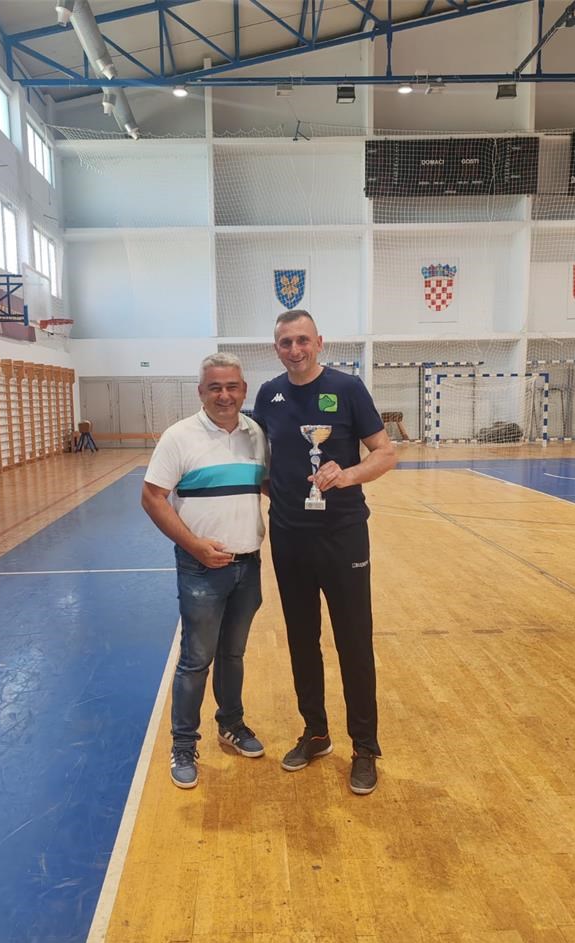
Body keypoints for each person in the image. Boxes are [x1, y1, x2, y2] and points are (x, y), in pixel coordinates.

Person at [253, 310, 397, 795]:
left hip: (342, 534)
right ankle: (316, 733)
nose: (295, 350)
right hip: (289, 537)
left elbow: (385, 452)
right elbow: (265, 460)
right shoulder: (268, 395)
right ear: (276, 348)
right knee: (301, 639)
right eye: (285, 343)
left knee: (354, 642)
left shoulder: (348, 388)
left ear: (319, 342)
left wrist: (347, 475)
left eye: (302, 340)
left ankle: (365, 748)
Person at [142, 353, 268, 789]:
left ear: (244, 390)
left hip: (248, 565)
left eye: (232, 386)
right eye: (215, 387)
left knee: (233, 655)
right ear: (201, 392)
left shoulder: (256, 434)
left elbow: (266, 486)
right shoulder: (179, 437)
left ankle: (230, 724)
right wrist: (195, 546)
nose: (224, 395)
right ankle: (183, 744)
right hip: (201, 568)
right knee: (196, 660)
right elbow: (152, 497)